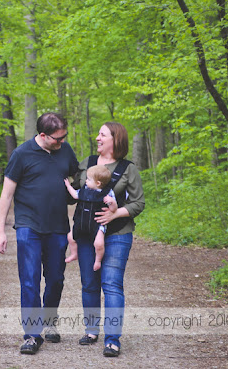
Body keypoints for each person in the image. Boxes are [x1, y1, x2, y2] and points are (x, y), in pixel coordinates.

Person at [0, 112, 78, 355]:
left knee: (55, 279)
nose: (62, 142)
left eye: (64, 137)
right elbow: (6, 194)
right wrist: (0, 231)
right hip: (28, 226)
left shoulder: (65, 150)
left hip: (58, 226)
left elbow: (78, 177)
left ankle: (50, 321)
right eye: (57, 138)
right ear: (42, 135)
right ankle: (31, 335)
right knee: (29, 279)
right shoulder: (21, 154)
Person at [74, 122, 145, 358]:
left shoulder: (128, 169)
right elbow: (73, 192)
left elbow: (138, 203)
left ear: (115, 139)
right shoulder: (86, 163)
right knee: (89, 283)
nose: (97, 138)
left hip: (117, 234)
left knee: (112, 285)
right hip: (86, 234)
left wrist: (115, 213)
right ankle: (91, 330)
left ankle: (112, 340)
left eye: (102, 135)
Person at [63, 164, 118, 271]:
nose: (86, 181)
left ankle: (98, 260)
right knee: (70, 237)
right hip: (82, 222)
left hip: (97, 224)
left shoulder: (107, 193)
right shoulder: (85, 190)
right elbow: (75, 195)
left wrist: (112, 202)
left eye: (88, 179)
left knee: (99, 243)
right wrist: (68, 186)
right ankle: (74, 253)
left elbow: (113, 210)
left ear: (98, 183)